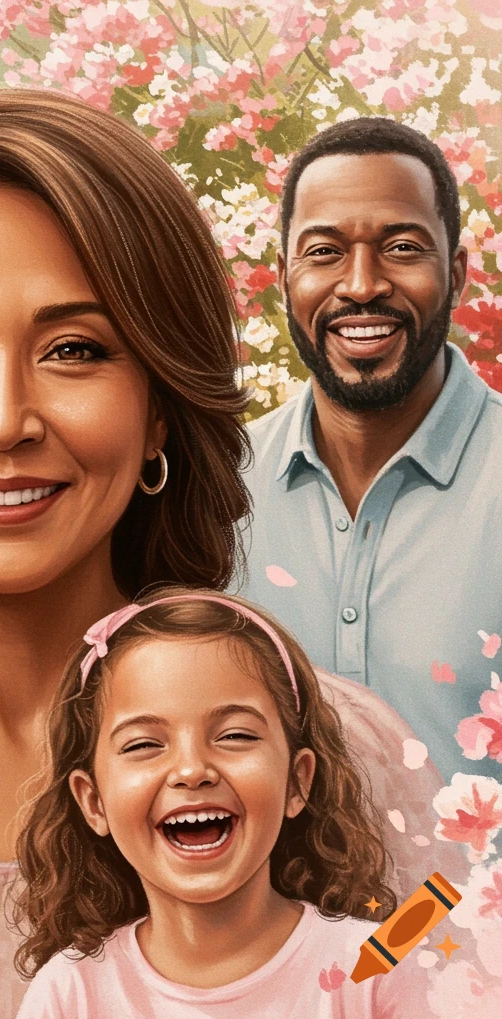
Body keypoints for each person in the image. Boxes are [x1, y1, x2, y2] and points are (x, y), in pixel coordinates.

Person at [0, 88, 451, 1019]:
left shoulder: (338, 751)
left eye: (77, 349)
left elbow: (444, 955)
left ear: (160, 402)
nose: (3, 420)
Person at [11, 588, 439, 1019]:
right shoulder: (72, 991)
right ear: (93, 801)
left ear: (296, 780)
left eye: (235, 735)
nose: (192, 770)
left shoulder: (377, 969)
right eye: (143, 744)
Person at [239, 117, 502, 784]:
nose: (360, 284)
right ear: (283, 276)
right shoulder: (217, 487)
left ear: (459, 272)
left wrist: (436, 900)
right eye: (323, 251)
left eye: (403, 247)